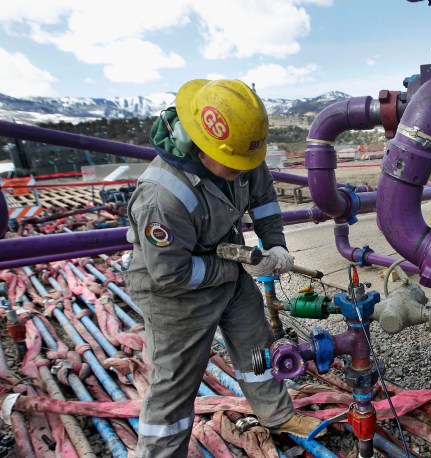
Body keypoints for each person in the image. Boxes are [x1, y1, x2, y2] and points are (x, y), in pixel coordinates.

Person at [125, 78, 322, 456]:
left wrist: (275, 243)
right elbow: (171, 272)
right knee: (174, 385)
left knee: (257, 349)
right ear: (200, 145)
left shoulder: (241, 154)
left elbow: (263, 199)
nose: (243, 169)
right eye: (234, 165)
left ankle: (276, 414)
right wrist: (233, 270)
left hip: (228, 271)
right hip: (173, 293)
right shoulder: (161, 199)